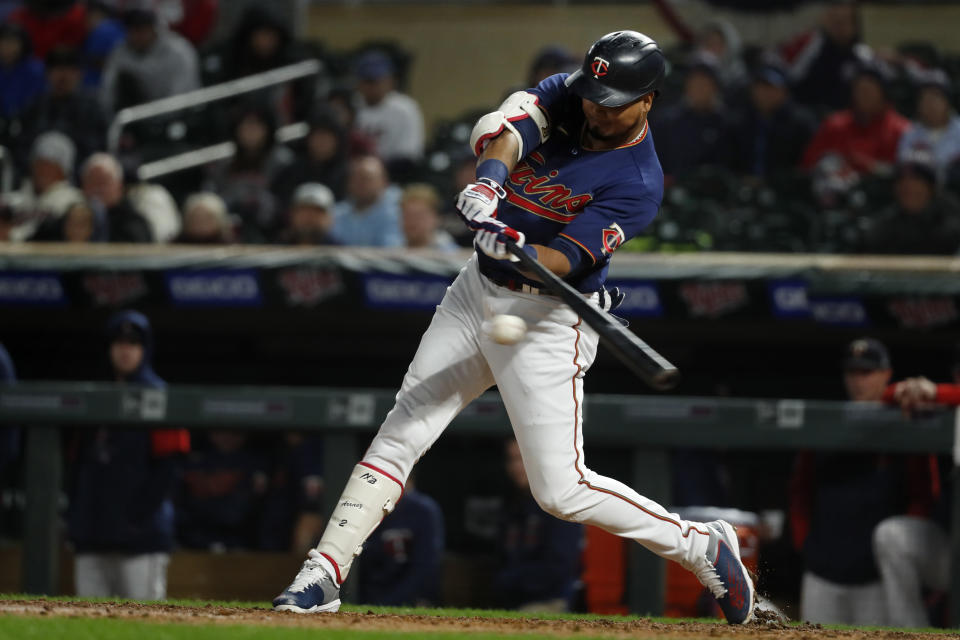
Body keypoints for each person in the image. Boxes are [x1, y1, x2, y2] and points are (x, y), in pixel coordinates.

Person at [273, 31, 756, 625]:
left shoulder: (639, 180)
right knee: (404, 428)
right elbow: (509, 131)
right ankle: (323, 572)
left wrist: (520, 244)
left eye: (614, 100)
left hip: (549, 316)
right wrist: (489, 183)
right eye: (594, 94)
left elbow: (564, 262)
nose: (597, 108)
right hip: (476, 292)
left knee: (560, 490)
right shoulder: (570, 93)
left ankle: (699, 544)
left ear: (649, 99)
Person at [789, 338, 939, 625]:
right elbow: (800, 490)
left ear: (886, 374)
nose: (858, 381)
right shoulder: (826, 425)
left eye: (866, 372)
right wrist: (804, 542)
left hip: (876, 579)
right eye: (852, 372)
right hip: (822, 575)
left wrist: (902, 566)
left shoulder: (906, 426)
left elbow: (924, 496)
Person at [68, 310, 190, 600]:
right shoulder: (93, 394)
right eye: (119, 342)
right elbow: (75, 461)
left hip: (140, 538)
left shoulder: (160, 395)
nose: (125, 350)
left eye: (133, 343)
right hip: (92, 532)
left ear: (144, 349)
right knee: (87, 623)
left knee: (144, 622)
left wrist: (138, 518)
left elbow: (170, 467)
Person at [871, 350, 960, 628]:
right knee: (893, 536)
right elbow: (887, 395)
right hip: (952, 553)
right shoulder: (949, 404)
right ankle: (911, 633)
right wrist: (912, 390)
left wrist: (935, 392)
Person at [494, 439, 582, 612]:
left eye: (522, 459)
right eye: (511, 460)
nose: (516, 467)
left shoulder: (559, 504)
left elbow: (558, 568)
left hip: (550, 600)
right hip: (513, 600)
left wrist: (511, 580)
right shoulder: (513, 504)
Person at [802, 60, 910, 179]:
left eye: (869, 91)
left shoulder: (901, 130)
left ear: (884, 94)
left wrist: (871, 167)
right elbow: (808, 164)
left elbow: (909, 175)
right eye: (859, 90)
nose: (862, 95)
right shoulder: (835, 124)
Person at [206, 102, 293, 242]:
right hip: (229, 227)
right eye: (246, 125)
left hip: (271, 230)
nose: (250, 131)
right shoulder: (224, 163)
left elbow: (283, 204)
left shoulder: (282, 162)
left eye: (256, 125)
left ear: (267, 129)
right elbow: (215, 198)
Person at [356, 475, 444, 607]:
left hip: (411, 601)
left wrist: (390, 602)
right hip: (371, 596)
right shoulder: (368, 507)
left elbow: (425, 566)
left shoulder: (423, 509)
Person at [176, 430, 269, 551]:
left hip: (239, 537)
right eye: (221, 432)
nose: (227, 437)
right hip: (196, 535)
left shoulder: (255, 461)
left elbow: (252, 505)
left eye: (234, 433)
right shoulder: (195, 460)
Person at [19, 46, 109, 169]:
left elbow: (97, 149)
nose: (63, 76)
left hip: (81, 177)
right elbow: (23, 146)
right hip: (38, 175)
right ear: (47, 74)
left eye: (69, 69)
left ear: (79, 74)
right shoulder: (35, 105)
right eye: (57, 69)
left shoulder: (93, 107)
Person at [99, 5, 200, 114]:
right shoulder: (120, 53)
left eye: (141, 29)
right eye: (131, 29)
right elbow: (107, 93)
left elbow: (182, 98)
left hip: (181, 118)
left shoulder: (179, 51)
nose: (135, 35)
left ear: (154, 28)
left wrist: (156, 120)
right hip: (139, 120)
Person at [727, 61, 818, 179]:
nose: (763, 93)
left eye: (770, 87)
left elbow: (805, 166)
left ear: (784, 91)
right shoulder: (739, 120)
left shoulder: (800, 124)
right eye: (759, 86)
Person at [649, 51, 731, 181]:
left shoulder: (727, 124)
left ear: (715, 86)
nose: (699, 87)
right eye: (695, 81)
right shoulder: (667, 122)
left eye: (705, 82)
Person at [864, 153, 960, 255]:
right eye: (901, 180)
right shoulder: (886, 222)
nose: (908, 186)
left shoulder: (951, 217)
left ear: (931, 188)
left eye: (916, 179)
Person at [780, 0, 866, 114]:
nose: (839, 27)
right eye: (835, 21)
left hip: (849, 119)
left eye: (844, 21)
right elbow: (793, 79)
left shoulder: (862, 55)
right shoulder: (812, 47)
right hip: (813, 116)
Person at [353, 50, 425, 173]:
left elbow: (409, 155)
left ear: (391, 80)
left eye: (378, 80)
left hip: (394, 174)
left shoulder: (405, 109)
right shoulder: (352, 105)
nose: (373, 86)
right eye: (368, 81)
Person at [8, 131, 85, 241]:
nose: (43, 172)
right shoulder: (13, 201)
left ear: (63, 172)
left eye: (51, 167)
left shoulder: (74, 203)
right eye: (39, 165)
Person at [272, 107, 350, 205]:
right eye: (317, 135)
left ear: (337, 140)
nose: (321, 141)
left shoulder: (348, 175)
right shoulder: (291, 172)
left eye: (326, 136)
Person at [897, 69, 960, 183]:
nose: (930, 103)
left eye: (936, 97)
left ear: (947, 101)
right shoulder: (909, 133)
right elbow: (904, 169)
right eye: (924, 98)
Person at [331, 155, 403, 248]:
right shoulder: (335, 214)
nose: (359, 183)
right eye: (354, 178)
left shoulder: (397, 215)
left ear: (384, 182)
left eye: (366, 178)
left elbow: (391, 251)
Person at [81, 153, 154, 243]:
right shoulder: (71, 220)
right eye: (92, 182)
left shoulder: (134, 223)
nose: (98, 189)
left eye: (104, 182)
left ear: (119, 186)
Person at [0, 23, 46, 121]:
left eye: (12, 42)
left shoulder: (35, 70)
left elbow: (35, 103)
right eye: (3, 42)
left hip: (27, 122)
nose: (7, 47)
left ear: (23, 45)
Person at [400, 184, 458, 252]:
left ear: (436, 218)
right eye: (407, 216)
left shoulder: (448, 251)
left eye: (419, 216)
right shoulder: (395, 247)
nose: (412, 221)